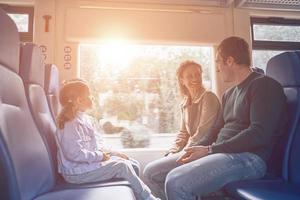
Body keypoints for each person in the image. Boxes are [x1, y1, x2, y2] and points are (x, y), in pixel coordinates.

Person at [155, 36, 287, 200]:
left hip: (249, 158)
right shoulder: (228, 94)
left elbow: (258, 133)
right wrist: (196, 149)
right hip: (221, 152)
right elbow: (214, 131)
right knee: (152, 172)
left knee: (176, 183)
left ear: (230, 61)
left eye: (218, 62)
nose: (217, 68)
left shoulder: (264, 85)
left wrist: (210, 150)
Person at [55, 79, 159, 200]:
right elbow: (74, 155)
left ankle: (138, 197)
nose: (92, 98)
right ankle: (149, 198)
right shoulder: (70, 124)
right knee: (122, 167)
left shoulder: (86, 119)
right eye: (89, 96)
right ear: (79, 100)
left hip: (86, 166)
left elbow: (96, 144)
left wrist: (113, 153)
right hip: (76, 173)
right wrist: (100, 156)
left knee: (133, 163)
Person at [143, 60, 221, 200]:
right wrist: (172, 151)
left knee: (150, 173)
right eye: (189, 76)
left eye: (197, 74)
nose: (195, 78)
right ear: (182, 80)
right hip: (189, 150)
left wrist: (182, 154)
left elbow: (203, 133)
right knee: (154, 172)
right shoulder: (185, 102)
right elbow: (183, 133)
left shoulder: (209, 97)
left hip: (202, 152)